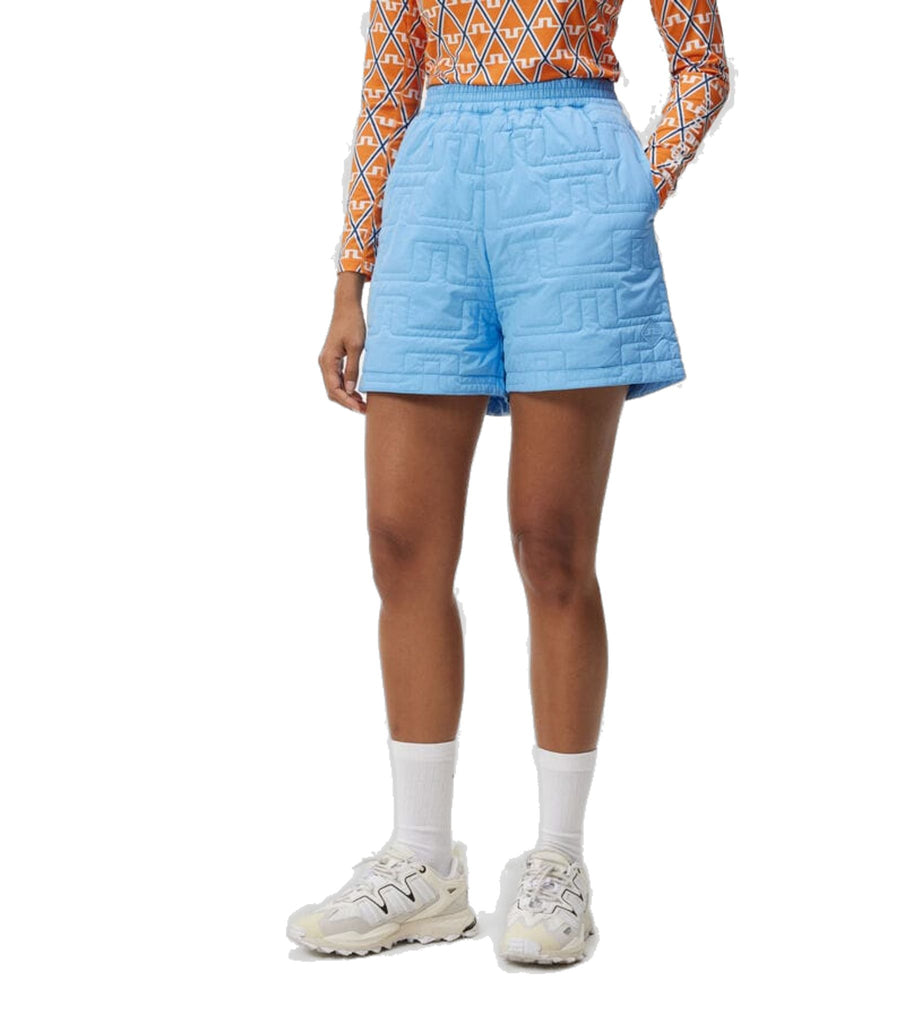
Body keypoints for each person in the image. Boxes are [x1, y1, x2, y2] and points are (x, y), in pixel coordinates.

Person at [287, 0, 729, 965]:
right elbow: (388, 83)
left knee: (551, 543)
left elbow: (701, 62)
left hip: (575, 182)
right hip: (432, 196)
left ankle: (559, 858)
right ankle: (421, 860)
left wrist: (630, 188)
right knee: (400, 542)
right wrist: (350, 278)